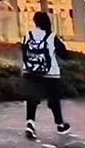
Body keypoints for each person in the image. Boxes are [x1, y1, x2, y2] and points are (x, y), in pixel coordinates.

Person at [22, 11, 71, 140]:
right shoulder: (51, 36)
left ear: (35, 22)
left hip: (30, 72)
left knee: (32, 99)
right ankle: (60, 124)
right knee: (54, 99)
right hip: (51, 73)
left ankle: (30, 123)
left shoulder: (28, 35)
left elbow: (24, 53)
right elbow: (65, 55)